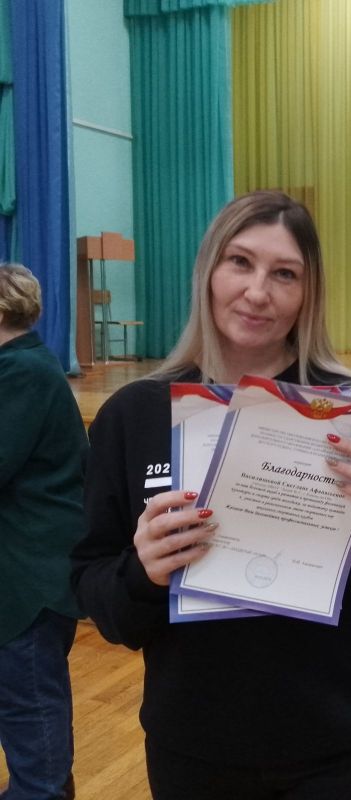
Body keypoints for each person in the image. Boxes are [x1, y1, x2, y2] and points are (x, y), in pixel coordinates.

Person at [71, 190, 351, 799]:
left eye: (285, 274)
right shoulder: (133, 416)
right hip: (199, 746)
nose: (257, 291)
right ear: (208, 270)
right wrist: (144, 571)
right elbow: (101, 597)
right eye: (240, 262)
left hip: (350, 745)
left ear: (308, 293)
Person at [0, 263, 87, 800]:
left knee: (30, 710)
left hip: (28, 578)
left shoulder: (21, 372)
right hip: (28, 569)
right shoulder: (24, 364)